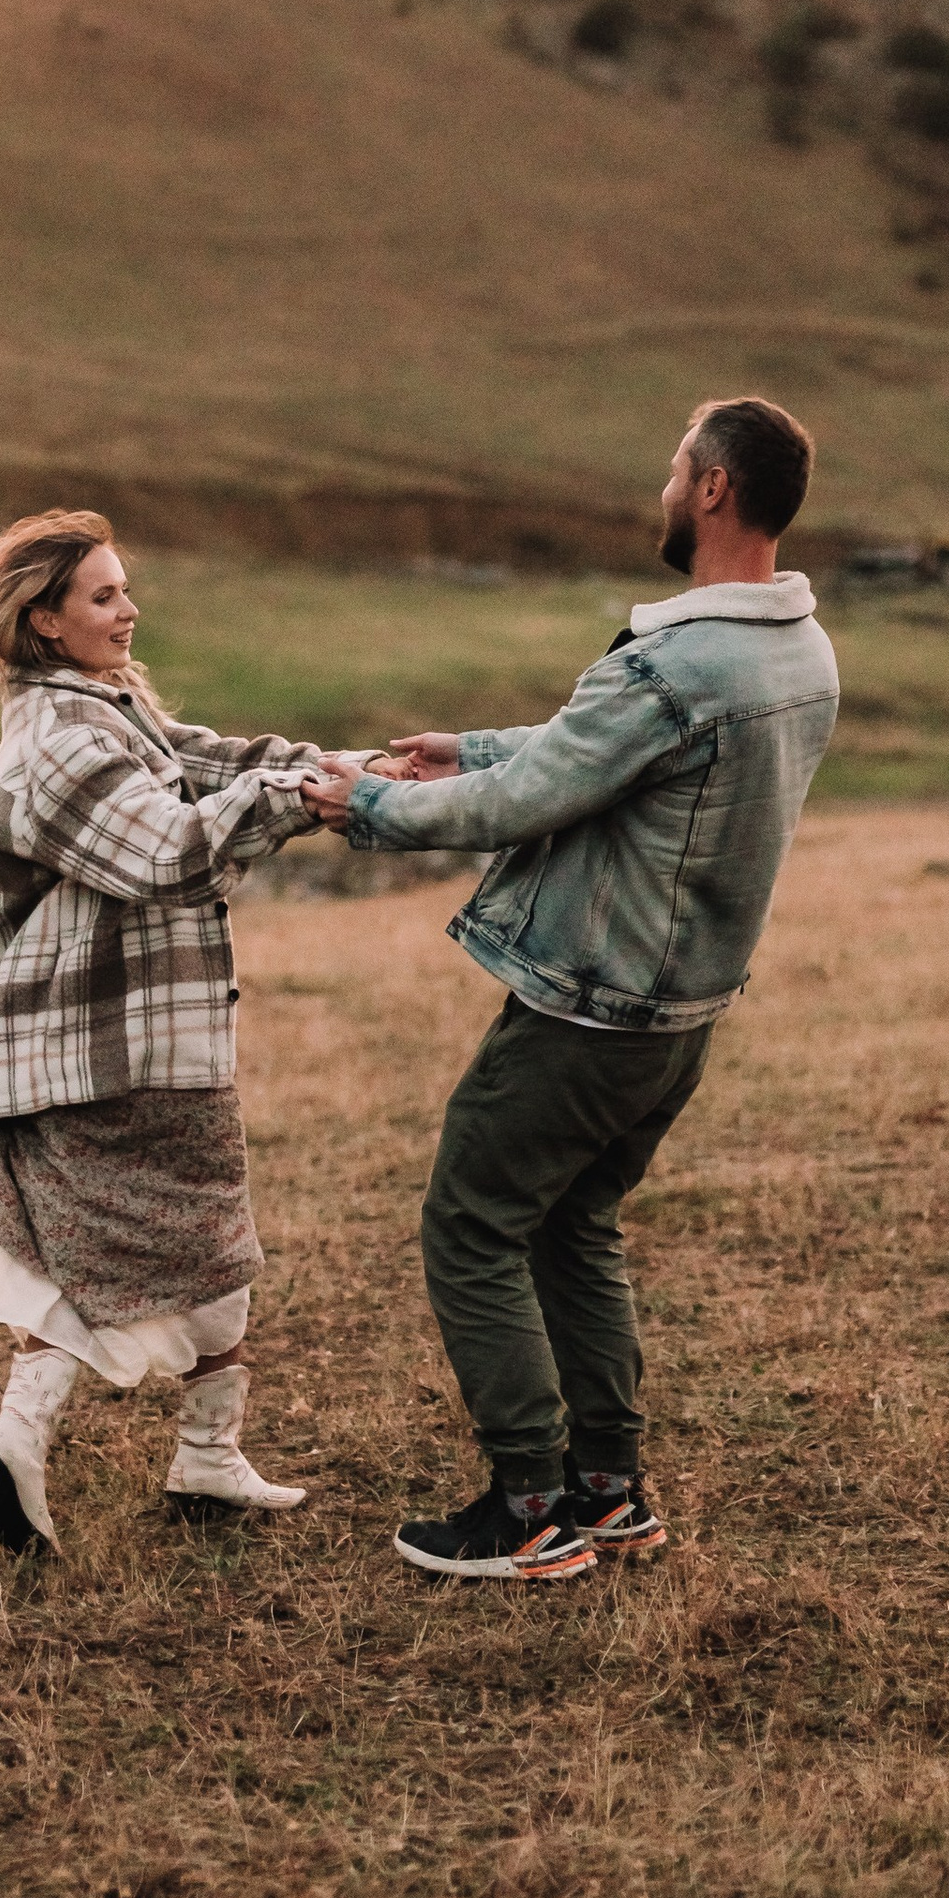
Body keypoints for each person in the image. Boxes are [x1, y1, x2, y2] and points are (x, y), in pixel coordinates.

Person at [304, 397, 836, 1580]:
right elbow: (587, 754)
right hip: (680, 1016)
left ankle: (529, 1512)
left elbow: (524, 804)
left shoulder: (680, 658)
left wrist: (366, 804)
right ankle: (608, 1490)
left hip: (587, 1011)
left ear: (710, 491)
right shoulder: (796, 649)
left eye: (672, 467)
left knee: (471, 1224)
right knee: (570, 1227)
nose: (662, 486)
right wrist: (471, 746)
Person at [0, 510, 351, 1554]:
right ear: (44, 622)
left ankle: (179, 1457)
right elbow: (167, 850)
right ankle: (38, 1444)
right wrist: (296, 796)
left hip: (120, 1047)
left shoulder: (105, 716)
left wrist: (347, 768)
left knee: (156, 1251)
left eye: (125, 590)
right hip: (102, 1057)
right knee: (176, 1249)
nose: (129, 610)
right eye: (104, 596)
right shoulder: (60, 748)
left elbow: (211, 765)